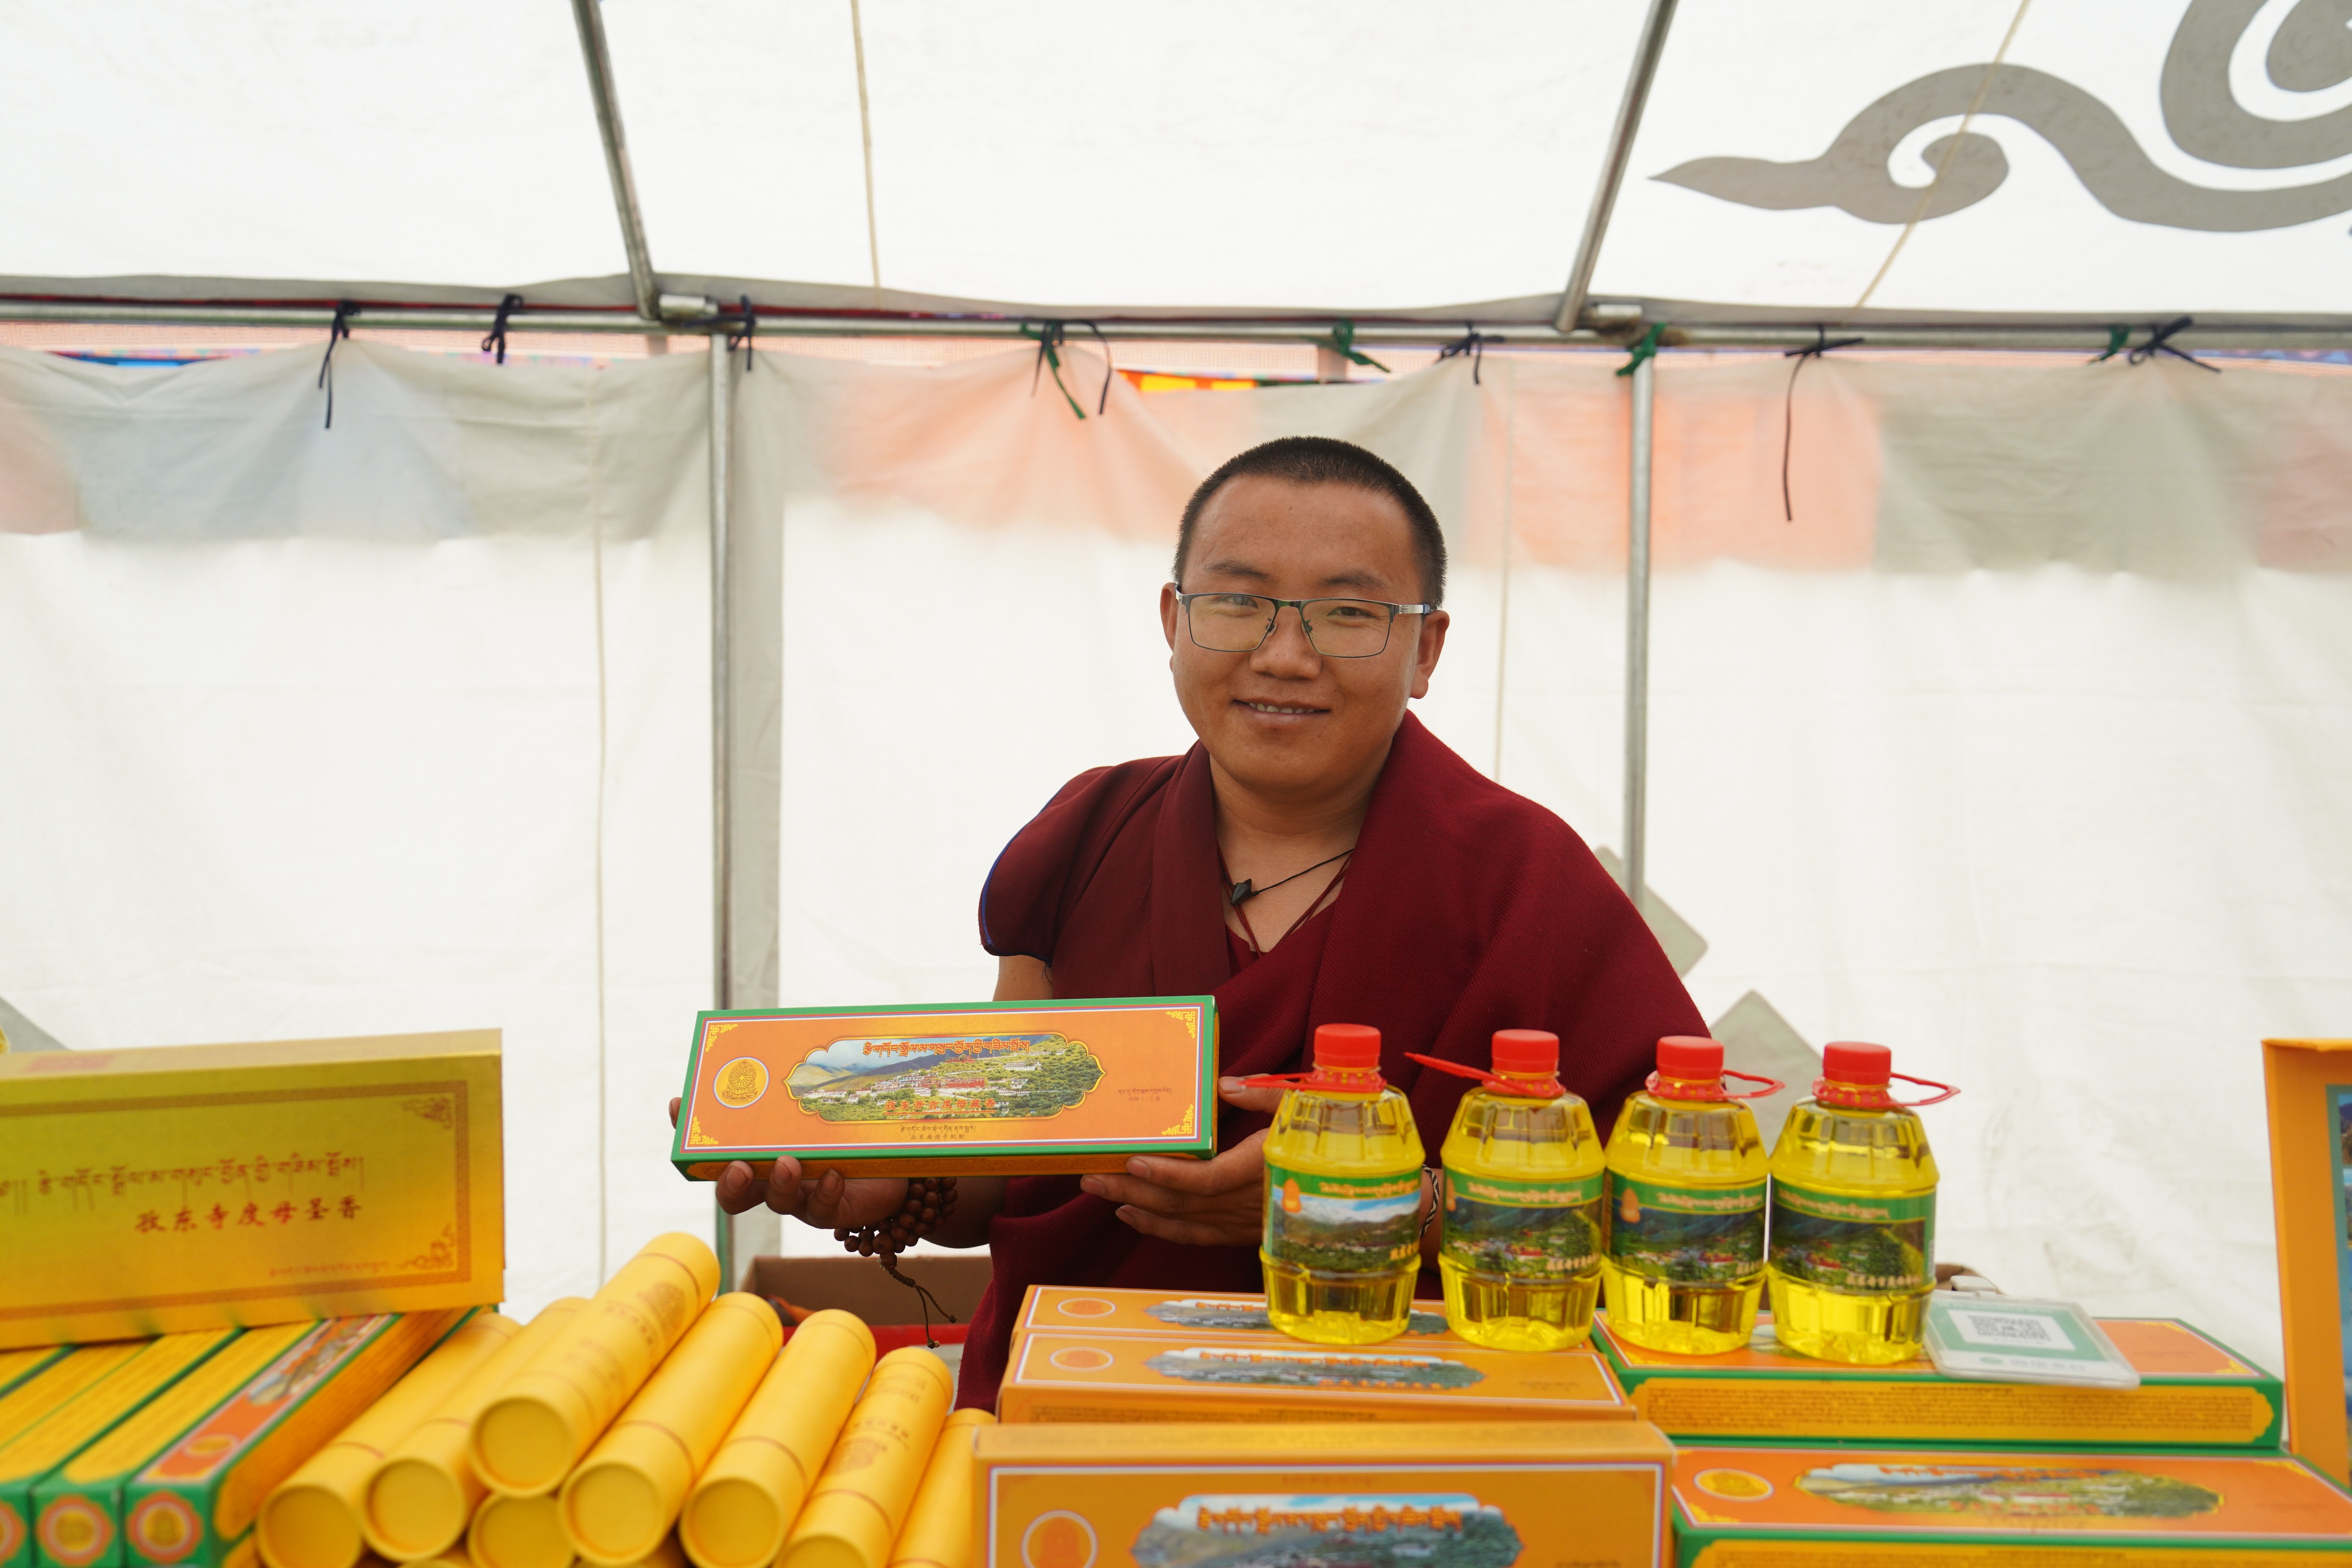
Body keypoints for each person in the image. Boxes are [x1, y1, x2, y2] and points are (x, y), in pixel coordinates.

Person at [694, 435, 1703, 1409]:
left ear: (1425, 648)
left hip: (1408, 1435)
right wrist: (901, 1183)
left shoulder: (1526, 881)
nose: (1286, 656)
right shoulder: (1088, 836)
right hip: (1077, 1400)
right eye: (1238, 602)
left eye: (1348, 614)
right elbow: (1016, 1165)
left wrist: (1390, 1209)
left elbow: (1681, 1225)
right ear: (1175, 620)